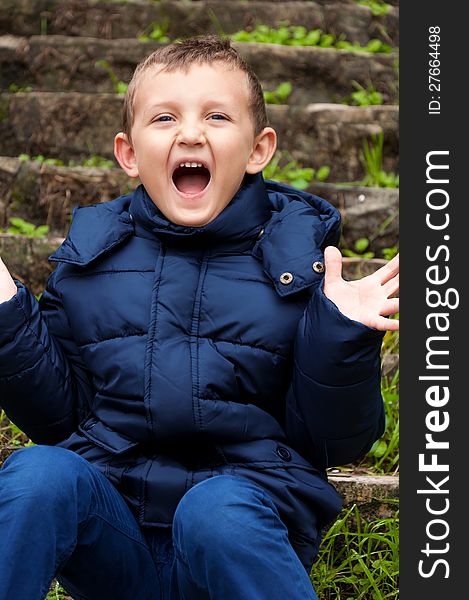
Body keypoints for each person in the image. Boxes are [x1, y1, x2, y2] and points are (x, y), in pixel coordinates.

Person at [0, 36, 399, 600]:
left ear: (259, 149)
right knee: (38, 473)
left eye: (216, 115)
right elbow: (57, 419)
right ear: (129, 153)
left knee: (215, 509)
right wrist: (6, 316)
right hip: (116, 541)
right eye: (164, 117)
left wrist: (341, 338)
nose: (190, 133)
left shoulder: (297, 267)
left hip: (238, 537)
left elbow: (337, 443)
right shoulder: (89, 260)